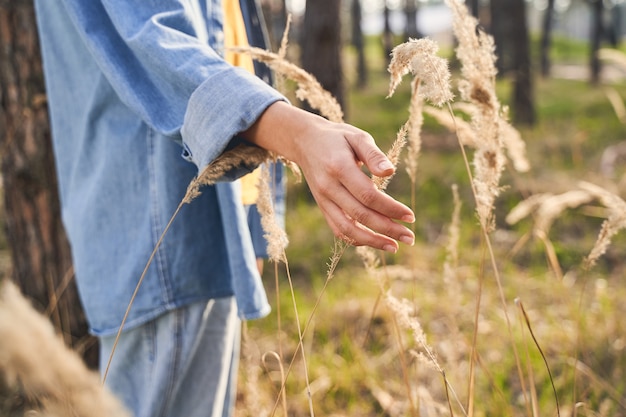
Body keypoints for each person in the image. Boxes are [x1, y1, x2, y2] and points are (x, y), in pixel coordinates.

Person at [33, 1, 415, 416]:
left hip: (202, 222)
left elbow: (225, 37)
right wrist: (300, 134)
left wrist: (249, 223)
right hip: (161, 228)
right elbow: (155, 40)